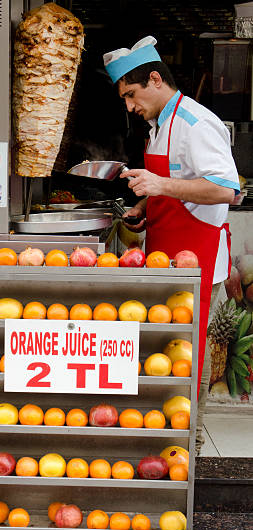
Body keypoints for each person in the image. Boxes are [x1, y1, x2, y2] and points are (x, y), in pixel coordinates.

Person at [103, 36, 240, 453]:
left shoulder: (196, 123)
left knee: (189, 352)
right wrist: (146, 204)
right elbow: (178, 184)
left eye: (131, 94)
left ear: (155, 79)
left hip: (195, 259)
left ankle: (190, 444)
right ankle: (164, 439)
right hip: (165, 256)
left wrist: (159, 183)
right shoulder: (159, 123)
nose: (129, 106)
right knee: (169, 349)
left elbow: (225, 188)